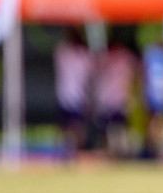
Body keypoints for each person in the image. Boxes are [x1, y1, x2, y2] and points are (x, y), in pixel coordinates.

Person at [95, 34, 140, 157]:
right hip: (109, 98)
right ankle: (111, 153)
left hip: (117, 98)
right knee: (108, 129)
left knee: (118, 129)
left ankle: (118, 154)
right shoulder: (104, 56)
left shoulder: (124, 56)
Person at [53, 27, 93, 161]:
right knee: (71, 128)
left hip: (75, 96)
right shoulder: (68, 53)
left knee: (74, 128)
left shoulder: (75, 54)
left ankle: (73, 153)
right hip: (68, 96)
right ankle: (68, 153)